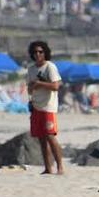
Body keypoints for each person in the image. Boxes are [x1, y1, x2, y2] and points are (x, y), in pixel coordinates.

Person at [26, 40, 65, 175]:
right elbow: (29, 90)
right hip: (36, 106)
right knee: (41, 138)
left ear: (45, 53)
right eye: (35, 52)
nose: (38, 54)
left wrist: (40, 84)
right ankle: (48, 167)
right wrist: (32, 87)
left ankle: (60, 166)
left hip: (48, 107)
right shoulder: (31, 69)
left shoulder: (50, 67)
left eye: (40, 52)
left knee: (50, 136)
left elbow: (55, 86)